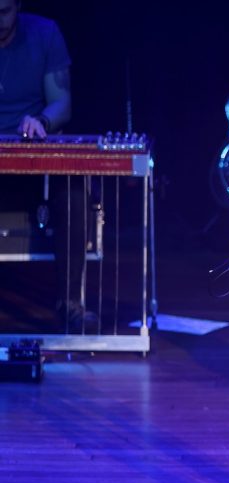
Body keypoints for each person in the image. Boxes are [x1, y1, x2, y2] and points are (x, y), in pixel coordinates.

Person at [0, 0, 88, 331]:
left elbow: (61, 102)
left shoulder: (44, 33)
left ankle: (70, 302)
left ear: (17, 6)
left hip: (31, 159)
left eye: (5, 11)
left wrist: (41, 121)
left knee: (73, 186)